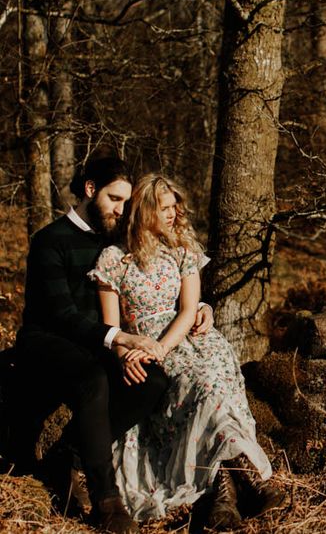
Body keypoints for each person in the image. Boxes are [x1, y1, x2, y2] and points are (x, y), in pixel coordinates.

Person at [15, 156, 214, 534]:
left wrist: (201, 306)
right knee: (93, 379)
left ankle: (66, 453)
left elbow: (150, 287)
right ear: (90, 190)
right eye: (114, 199)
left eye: (127, 202)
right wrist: (118, 339)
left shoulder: (115, 239)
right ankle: (107, 502)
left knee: (152, 381)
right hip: (47, 341)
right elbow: (62, 315)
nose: (122, 210)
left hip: (98, 342)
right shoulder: (49, 241)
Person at [89, 174, 282, 529]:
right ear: (144, 209)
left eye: (175, 207)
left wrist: (164, 346)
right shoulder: (113, 259)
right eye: (164, 208)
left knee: (213, 385)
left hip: (188, 341)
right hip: (143, 346)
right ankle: (234, 491)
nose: (173, 215)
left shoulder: (182, 249)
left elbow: (189, 308)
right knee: (201, 392)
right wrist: (124, 356)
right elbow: (111, 328)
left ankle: (234, 490)